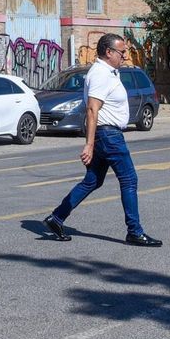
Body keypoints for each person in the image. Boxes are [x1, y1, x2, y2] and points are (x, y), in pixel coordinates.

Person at [42, 33, 160, 247]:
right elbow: (91, 109)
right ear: (108, 52)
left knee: (92, 181)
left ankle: (57, 218)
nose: (125, 56)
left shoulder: (108, 72)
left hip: (106, 135)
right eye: (121, 52)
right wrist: (89, 144)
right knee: (129, 179)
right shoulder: (100, 74)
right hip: (109, 136)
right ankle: (134, 231)